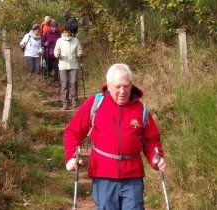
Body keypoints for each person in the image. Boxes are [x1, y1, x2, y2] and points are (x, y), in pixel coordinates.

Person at [64, 63, 167, 210]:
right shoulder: (95, 104)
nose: (123, 91)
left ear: (132, 85)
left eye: (126, 86)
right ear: (109, 85)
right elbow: (73, 131)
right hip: (103, 174)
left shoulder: (140, 109)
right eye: (118, 86)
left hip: (132, 176)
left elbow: (151, 140)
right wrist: (71, 156)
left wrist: (156, 158)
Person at [54, 25, 82, 110]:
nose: (67, 33)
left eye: (69, 32)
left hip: (73, 64)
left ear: (71, 32)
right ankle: (65, 103)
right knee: (65, 83)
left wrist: (80, 53)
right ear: (63, 32)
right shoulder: (59, 41)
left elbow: (79, 51)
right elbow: (55, 52)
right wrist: (57, 54)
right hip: (63, 65)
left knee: (74, 82)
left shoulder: (75, 40)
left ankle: (74, 102)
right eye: (65, 32)